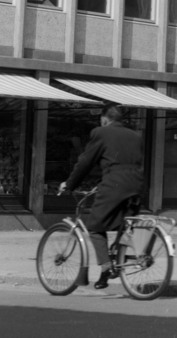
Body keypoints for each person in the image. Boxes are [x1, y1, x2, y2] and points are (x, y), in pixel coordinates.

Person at [58, 104, 145, 289]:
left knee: (95, 227)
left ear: (105, 119)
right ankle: (116, 260)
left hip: (114, 184)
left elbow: (85, 162)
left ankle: (106, 268)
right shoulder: (136, 136)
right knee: (124, 222)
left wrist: (70, 183)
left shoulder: (101, 132)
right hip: (136, 184)